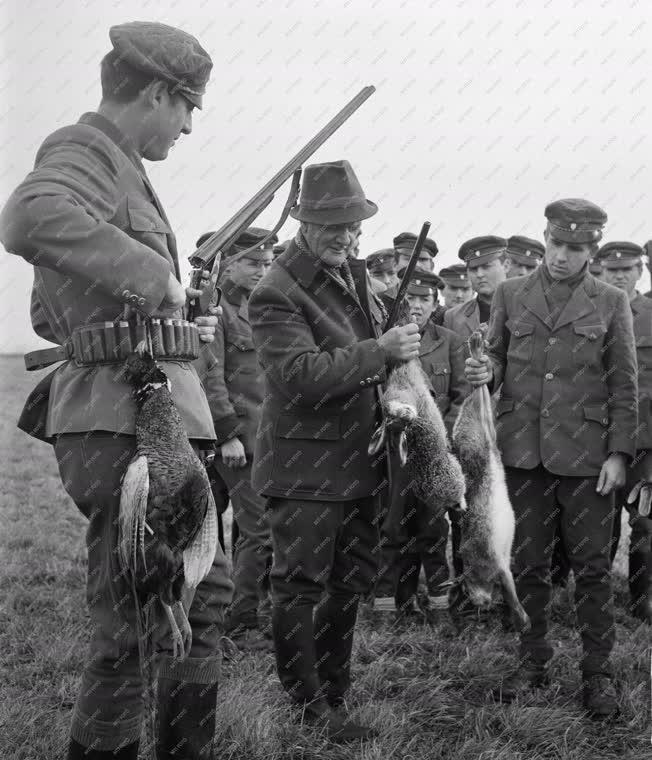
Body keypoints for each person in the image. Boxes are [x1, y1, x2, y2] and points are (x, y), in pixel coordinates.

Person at [1, 22, 234, 759]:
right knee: (133, 620)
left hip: (150, 414)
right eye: (188, 105)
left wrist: (177, 319)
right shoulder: (83, 149)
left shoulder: (121, 166)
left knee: (206, 594)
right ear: (158, 92)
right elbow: (28, 217)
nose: (191, 125)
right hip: (119, 423)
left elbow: (52, 309)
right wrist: (153, 276)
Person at [249, 160, 420, 742]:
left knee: (350, 581)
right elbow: (299, 375)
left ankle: (334, 691)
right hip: (303, 470)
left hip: (358, 465)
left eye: (353, 226)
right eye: (332, 226)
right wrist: (380, 350)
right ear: (303, 223)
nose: (345, 237)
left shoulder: (352, 274)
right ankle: (305, 705)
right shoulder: (276, 290)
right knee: (299, 585)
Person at [465, 198, 638, 719]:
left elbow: (623, 385)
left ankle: (597, 674)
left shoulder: (610, 301)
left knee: (591, 569)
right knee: (529, 564)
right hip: (521, 454)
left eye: (575, 248)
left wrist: (620, 453)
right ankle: (533, 658)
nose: (562, 255)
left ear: (592, 250)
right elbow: (494, 355)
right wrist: (484, 371)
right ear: (545, 238)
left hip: (588, 459)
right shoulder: (511, 293)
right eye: (556, 244)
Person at [197, 227, 277, 651]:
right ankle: (240, 623)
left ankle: (230, 611)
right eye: (254, 262)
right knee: (251, 530)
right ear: (227, 262)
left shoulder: (257, 307)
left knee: (249, 531)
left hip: (258, 439)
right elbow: (209, 375)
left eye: (268, 262)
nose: (263, 270)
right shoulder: (215, 309)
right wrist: (227, 435)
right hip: (231, 442)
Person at [377, 270, 470, 621]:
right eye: (410, 299)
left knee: (434, 530)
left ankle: (440, 605)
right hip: (396, 452)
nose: (417, 306)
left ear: (436, 304)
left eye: (425, 300)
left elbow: (461, 396)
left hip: (434, 453)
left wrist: (440, 439)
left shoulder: (449, 341)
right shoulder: (388, 341)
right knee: (392, 529)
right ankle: (388, 603)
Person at [597, 241, 652, 623]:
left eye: (628, 269)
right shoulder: (591, 311)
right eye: (612, 269)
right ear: (600, 270)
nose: (620, 275)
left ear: (640, 271)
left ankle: (642, 598)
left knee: (646, 519)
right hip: (598, 436)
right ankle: (593, 596)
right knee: (598, 521)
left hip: (645, 439)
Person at [443, 236, 509, 337]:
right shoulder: (453, 317)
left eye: (486, 266)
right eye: (473, 269)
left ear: (506, 266)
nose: (479, 274)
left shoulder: (528, 308)